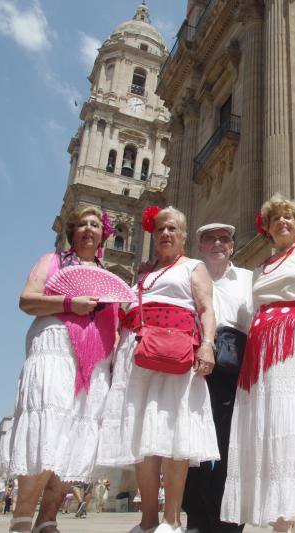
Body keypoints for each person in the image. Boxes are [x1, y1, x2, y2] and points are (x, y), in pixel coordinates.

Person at [221, 194, 295, 533]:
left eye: (289, 218)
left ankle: (286, 522)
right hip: (260, 351)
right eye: (277, 219)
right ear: (268, 230)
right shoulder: (259, 269)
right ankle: (277, 519)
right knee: (265, 425)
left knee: (292, 422)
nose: (283, 222)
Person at [98, 205, 219, 533]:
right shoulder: (143, 274)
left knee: (174, 435)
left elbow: (207, 309)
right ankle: (148, 520)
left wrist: (207, 344)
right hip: (138, 356)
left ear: (182, 236)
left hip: (176, 354)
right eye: (160, 229)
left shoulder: (194, 267)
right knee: (143, 436)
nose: (165, 234)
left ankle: (172, 520)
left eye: (172, 230)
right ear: (153, 235)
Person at [6, 206, 119, 533]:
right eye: (82, 224)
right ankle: (22, 518)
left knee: (73, 439)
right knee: (45, 433)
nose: (88, 229)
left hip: (93, 362)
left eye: (94, 224)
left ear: (103, 234)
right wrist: (70, 303)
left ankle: (48, 520)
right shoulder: (52, 261)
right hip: (54, 352)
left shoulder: (108, 275)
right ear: (72, 232)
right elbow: (28, 300)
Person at [183, 223, 253, 533]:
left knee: (230, 442)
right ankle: (196, 516)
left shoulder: (249, 280)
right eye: (209, 239)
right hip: (192, 361)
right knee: (192, 443)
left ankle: (227, 519)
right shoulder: (188, 276)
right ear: (199, 247)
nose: (217, 244)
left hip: (233, 364)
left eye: (224, 239)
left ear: (232, 246)